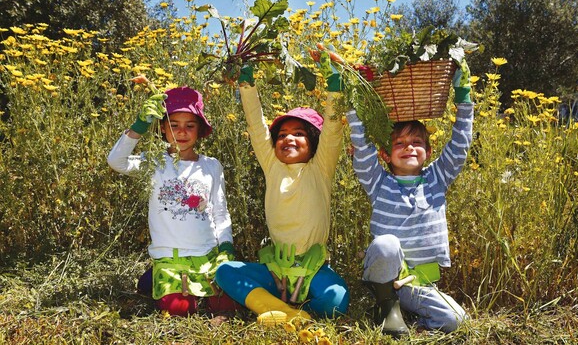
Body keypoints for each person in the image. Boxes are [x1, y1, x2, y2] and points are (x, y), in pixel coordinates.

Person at [214, 59, 349, 325]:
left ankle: (280, 306)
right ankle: (284, 312)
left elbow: (333, 129)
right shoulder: (272, 167)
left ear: (313, 142)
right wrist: (247, 85)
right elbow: (256, 126)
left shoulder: (320, 169)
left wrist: (335, 83)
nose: (288, 138)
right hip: (275, 270)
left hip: (312, 270)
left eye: (298, 133)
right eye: (281, 135)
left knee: (336, 300)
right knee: (225, 271)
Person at [347, 61, 473, 335]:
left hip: (418, 284)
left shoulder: (438, 178)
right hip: (384, 275)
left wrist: (463, 95)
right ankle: (384, 304)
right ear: (385, 155)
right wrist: (353, 98)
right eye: (399, 143)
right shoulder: (378, 182)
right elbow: (361, 146)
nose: (409, 148)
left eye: (417, 142)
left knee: (457, 321)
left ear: (428, 151)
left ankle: (414, 322)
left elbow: (460, 144)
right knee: (386, 244)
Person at [107, 86, 238, 317]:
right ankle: (158, 280)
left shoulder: (211, 166)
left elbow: (220, 211)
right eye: (174, 124)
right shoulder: (155, 162)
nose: (182, 132)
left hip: (207, 255)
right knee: (179, 310)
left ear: (200, 130)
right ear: (163, 128)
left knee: (226, 304)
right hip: (170, 256)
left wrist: (225, 247)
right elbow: (117, 161)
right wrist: (138, 127)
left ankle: (156, 283)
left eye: (190, 125)